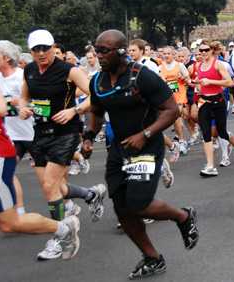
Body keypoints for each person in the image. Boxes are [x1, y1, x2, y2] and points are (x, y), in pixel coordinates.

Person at [82, 30, 198, 279]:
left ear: (122, 51)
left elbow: (171, 110)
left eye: (104, 51)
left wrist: (144, 134)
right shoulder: (98, 81)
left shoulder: (143, 76)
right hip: (118, 150)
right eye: (96, 50)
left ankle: (183, 216)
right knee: (122, 208)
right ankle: (152, 258)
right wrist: (89, 138)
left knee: (139, 204)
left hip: (146, 146)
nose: (98, 55)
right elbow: (96, 110)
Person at [18, 29, 106, 260]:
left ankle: (63, 234)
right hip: (40, 134)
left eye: (45, 48)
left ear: (53, 46)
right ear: (30, 51)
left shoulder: (70, 70)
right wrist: (23, 107)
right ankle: (91, 194)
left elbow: (95, 95)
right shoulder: (29, 70)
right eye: (36, 49)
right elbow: (23, 97)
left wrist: (74, 110)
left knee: (50, 187)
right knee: (54, 188)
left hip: (65, 133)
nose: (41, 53)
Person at [0, 88, 81, 260]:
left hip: (18, 145)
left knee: (9, 223)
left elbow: (1, 108)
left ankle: (64, 229)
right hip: (23, 138)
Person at [195, 40, 234, 176]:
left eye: (206, 50)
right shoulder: (199, 65)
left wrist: (211, 81)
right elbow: (199, 84)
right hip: (204, 102)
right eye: (201, 51)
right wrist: (197, 86)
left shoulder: (217, 63)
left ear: (212, 50)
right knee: (206, 134)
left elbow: (229, 82)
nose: (203, 53)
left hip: (218, 102)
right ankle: (210, 165)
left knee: (222, 132)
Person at [0, 40, 35, 215]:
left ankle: (74, 200)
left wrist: (10, 101)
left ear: (7, 58)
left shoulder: (21, 75)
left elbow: (32, 100)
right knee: (9, 172)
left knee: (49, 181)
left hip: (32, 133)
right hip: (12, 136)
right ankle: (19, 210)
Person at [160, 46, 191, 153]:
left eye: (169, 53)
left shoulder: (180, 66)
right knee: (174, 119)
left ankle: (182, 142)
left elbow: (189, 81)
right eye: (165, 54)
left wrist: (182, 78)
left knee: (176, 116)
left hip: (179, 96)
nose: (167, 55)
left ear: (174, 55)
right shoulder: (160, 68)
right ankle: (182, 140)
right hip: (167, 98)